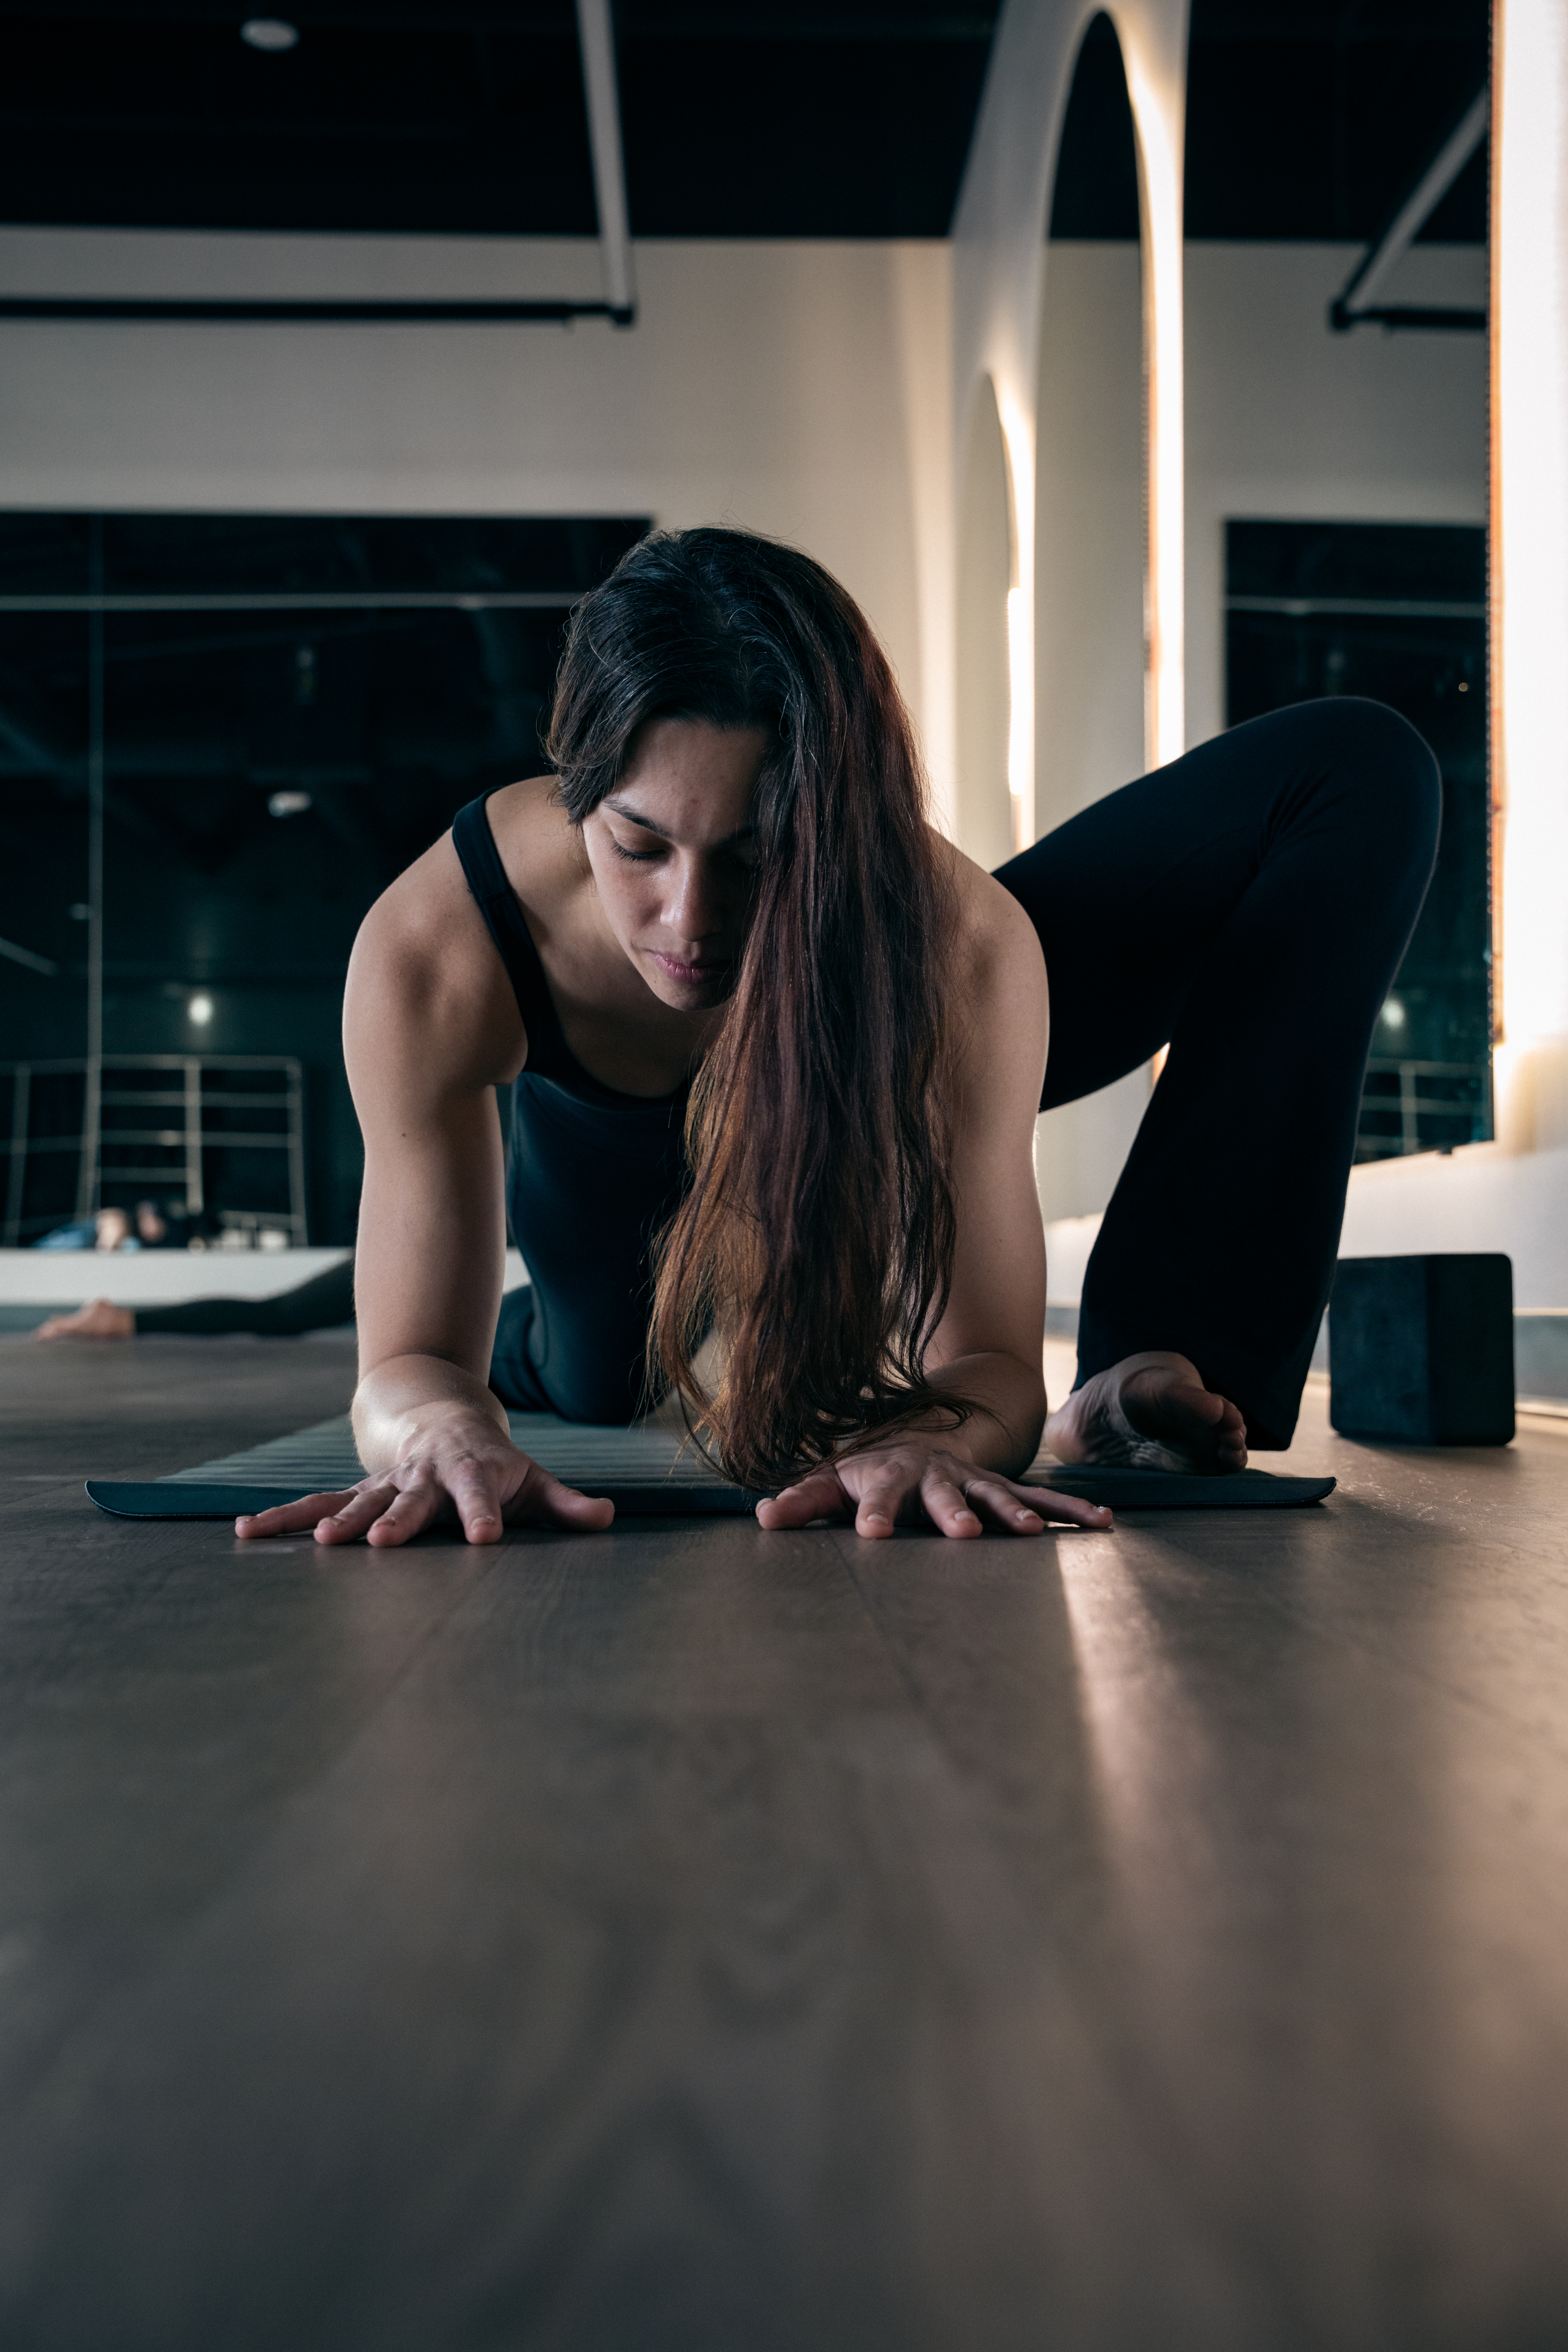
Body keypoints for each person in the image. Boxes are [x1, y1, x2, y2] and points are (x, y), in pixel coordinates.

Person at [233, 527, 1438, 1551]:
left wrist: (938, 1437)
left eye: (758, 858)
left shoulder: (961, 944)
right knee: (601, 1377)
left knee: (1355, 770)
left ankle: (1150, 1378)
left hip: (856, 1041)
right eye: (639, 846)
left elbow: (988, 1370)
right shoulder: (438, 946)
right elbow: (401, 1369)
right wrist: (440, 1425)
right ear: (575, 790)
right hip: (615, 1181)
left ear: (836, 824)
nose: (690, 925)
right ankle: (536, 1344)